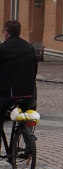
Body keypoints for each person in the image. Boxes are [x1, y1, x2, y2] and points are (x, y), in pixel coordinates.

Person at [0, 20, 37, 153]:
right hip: (29, 93)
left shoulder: (2, 48)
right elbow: (34, 70)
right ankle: (28, 142)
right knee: (26, 116)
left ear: (7, 33)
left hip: (8, 93)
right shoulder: (29, 47)